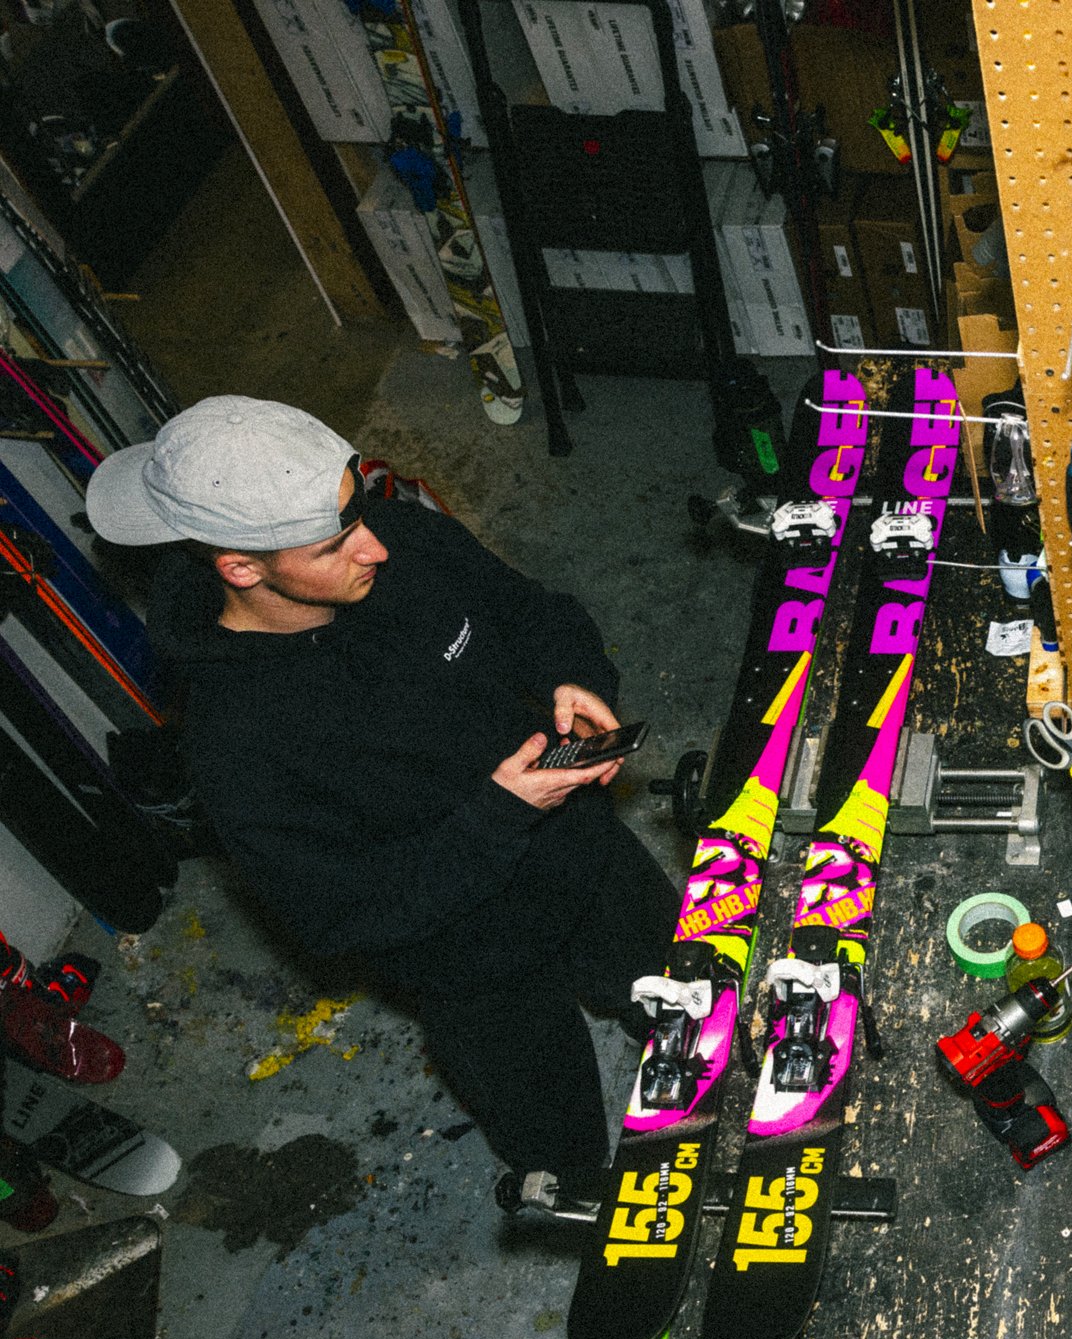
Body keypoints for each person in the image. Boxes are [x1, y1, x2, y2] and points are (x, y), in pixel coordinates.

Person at [89, 395, 676, 1175]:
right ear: (242, 568)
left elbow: (529, 611)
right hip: (470, 956)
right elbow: (341, 914)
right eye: (335, 543)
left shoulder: (397, 538)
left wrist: (572, 675)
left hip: (586, 855)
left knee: (692, 1012)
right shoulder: (236, 743)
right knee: (558, 1153)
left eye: (357, 511)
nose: (374, 546)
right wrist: (499, 814)